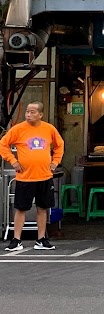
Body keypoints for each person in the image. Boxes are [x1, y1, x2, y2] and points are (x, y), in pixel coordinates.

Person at [0, 102, 65, 251]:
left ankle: (41, 239)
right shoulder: (18, 129)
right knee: (21, 208)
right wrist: (13, 161)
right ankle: (16, 240)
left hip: (44, 176)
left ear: (40, 114)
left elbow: (59, 145)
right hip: (25, 177)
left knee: (42, 208)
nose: (28, 114)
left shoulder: (49, 129)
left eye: (33, 112)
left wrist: (55, 162)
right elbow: (3, 144)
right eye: (27, 111)